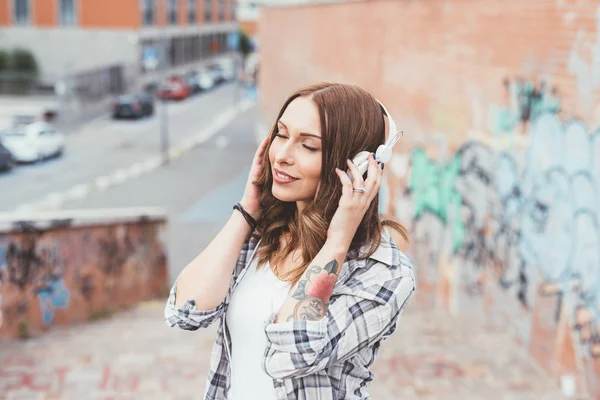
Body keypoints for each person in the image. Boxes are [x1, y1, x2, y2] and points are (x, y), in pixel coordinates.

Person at [165, 82, 416, 400]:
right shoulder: (261, 237)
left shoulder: (383, 272)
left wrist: (337, 242)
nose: (281, 156)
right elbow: (187, 312)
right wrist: (247, 211)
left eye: (308, 146)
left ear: (360, 164)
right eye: (281, 135)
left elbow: (291, 355)